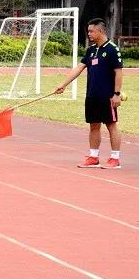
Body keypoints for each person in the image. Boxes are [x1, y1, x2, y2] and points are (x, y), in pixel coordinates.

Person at [54, 17, 124, 170]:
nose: (89, 34)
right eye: (88, 31)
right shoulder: (91, 50)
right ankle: (93, 157)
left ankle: (115, 158)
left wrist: (116, 94)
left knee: (111, 125)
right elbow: (79, 68)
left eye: (92, 31)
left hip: (107, 96)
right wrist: (63, 85)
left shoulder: (112, 49)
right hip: (92, 95)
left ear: (100, 31)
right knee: (93, 126)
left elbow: (118, 72)